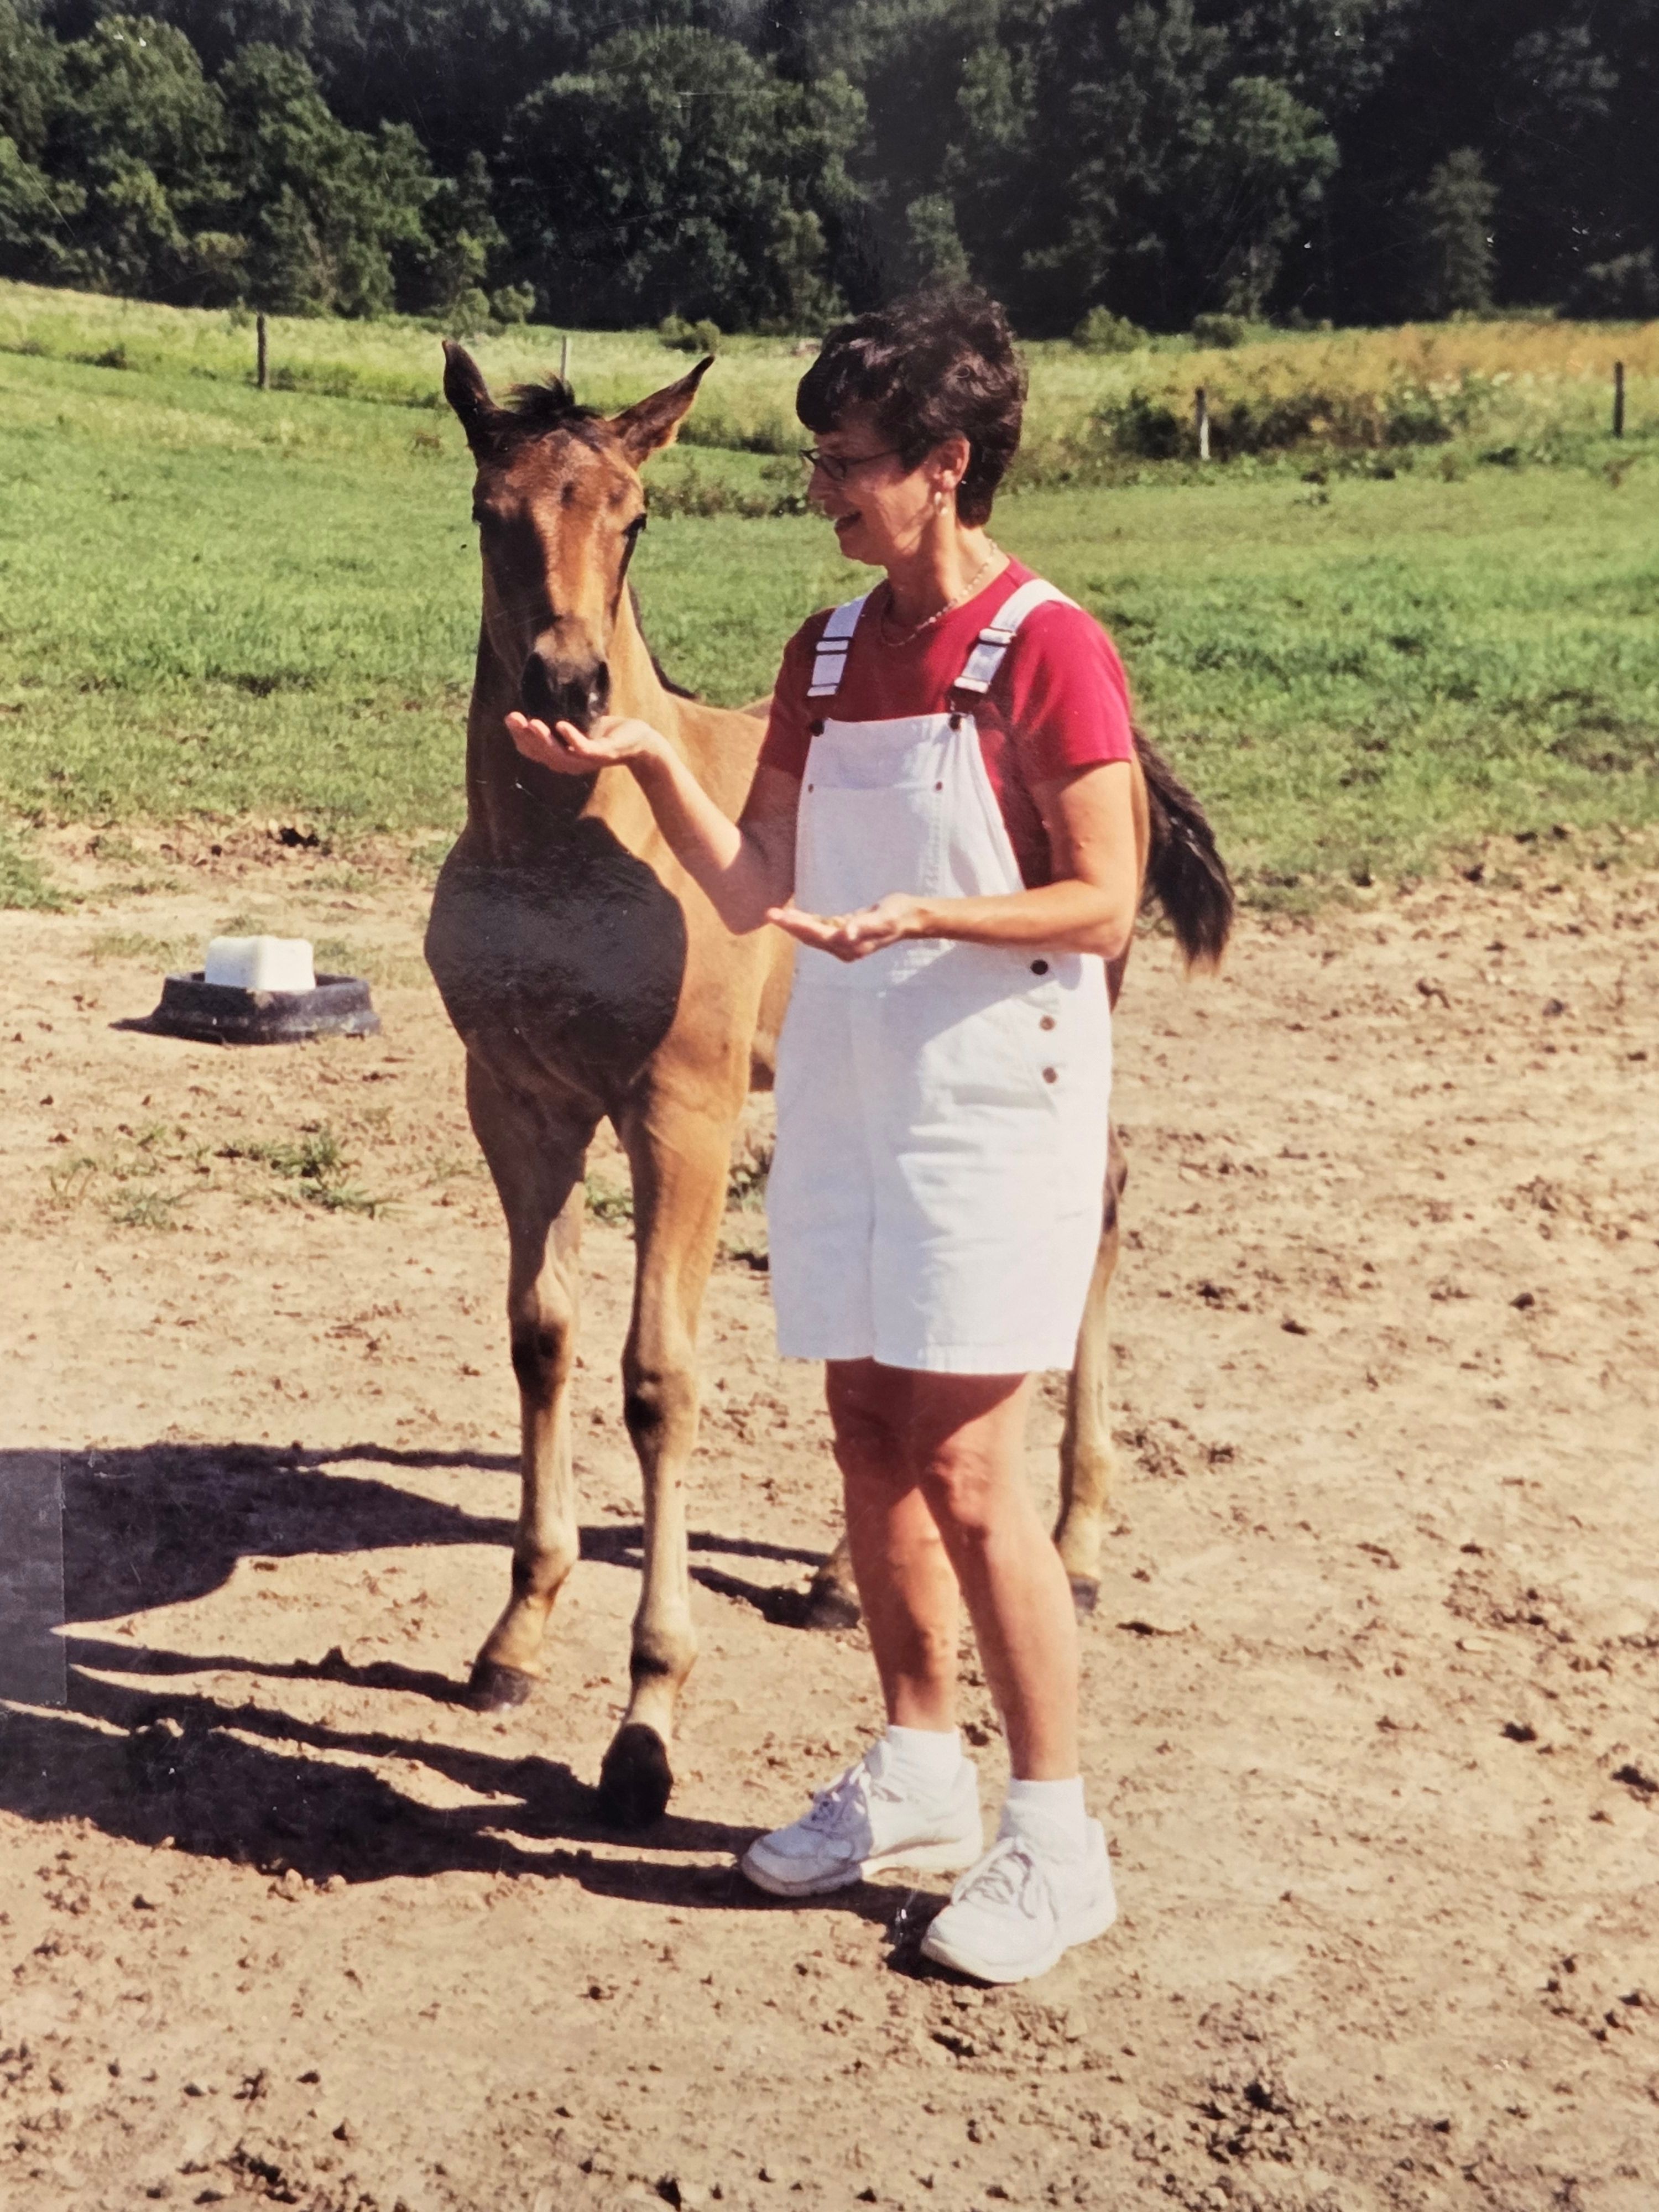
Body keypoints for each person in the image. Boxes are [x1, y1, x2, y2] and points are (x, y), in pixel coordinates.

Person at [505, 288, 1141, 1985]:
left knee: (977, 1472)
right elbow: (758, 886)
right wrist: (646, 754)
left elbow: (1108, 895)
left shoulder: (1048, 648)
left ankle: (1057, 1841)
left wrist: (933, 909)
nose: (822, 493)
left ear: (945, 467)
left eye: (849, 465)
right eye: (819, 464)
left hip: (996, 1092)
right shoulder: (833, 650)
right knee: (866, 1430)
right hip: (856, 1084)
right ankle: (921, 1774)